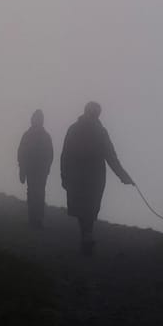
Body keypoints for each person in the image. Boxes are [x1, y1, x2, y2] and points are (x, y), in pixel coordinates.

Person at [60, 101, 132, 256]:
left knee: (83, 208)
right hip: (93, 177)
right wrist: (123, 176)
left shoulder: (75, 129)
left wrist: (64, 176)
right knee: (89, 208)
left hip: (79, 176)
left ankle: (86, 236)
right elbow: (111, 156)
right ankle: (87, 236)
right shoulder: (100, 132)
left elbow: (65, 154)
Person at [16, 109, 54, 228]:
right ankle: (35, 218)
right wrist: (22, 169)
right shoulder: (37, 135)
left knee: (35, 193)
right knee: (35, 193)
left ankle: (36, 219)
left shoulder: (29, 135)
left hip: (37, 170)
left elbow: (49, 154)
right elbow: (21, 153)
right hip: (35, 170)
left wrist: (22, 169)